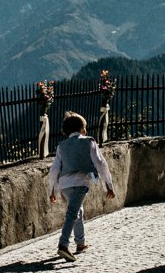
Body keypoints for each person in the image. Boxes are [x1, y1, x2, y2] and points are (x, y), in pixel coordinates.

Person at [45, 111, 115, 260]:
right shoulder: (89, 141)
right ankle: (63, 245)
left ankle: (80, 242)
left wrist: (52, 190)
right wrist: (108, 185)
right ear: (82, 128)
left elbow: (54, 170)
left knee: (78, 210)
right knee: (73, 213)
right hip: (80, 182)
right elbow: (101, 164)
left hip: (64, 185)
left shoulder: (61, 146)